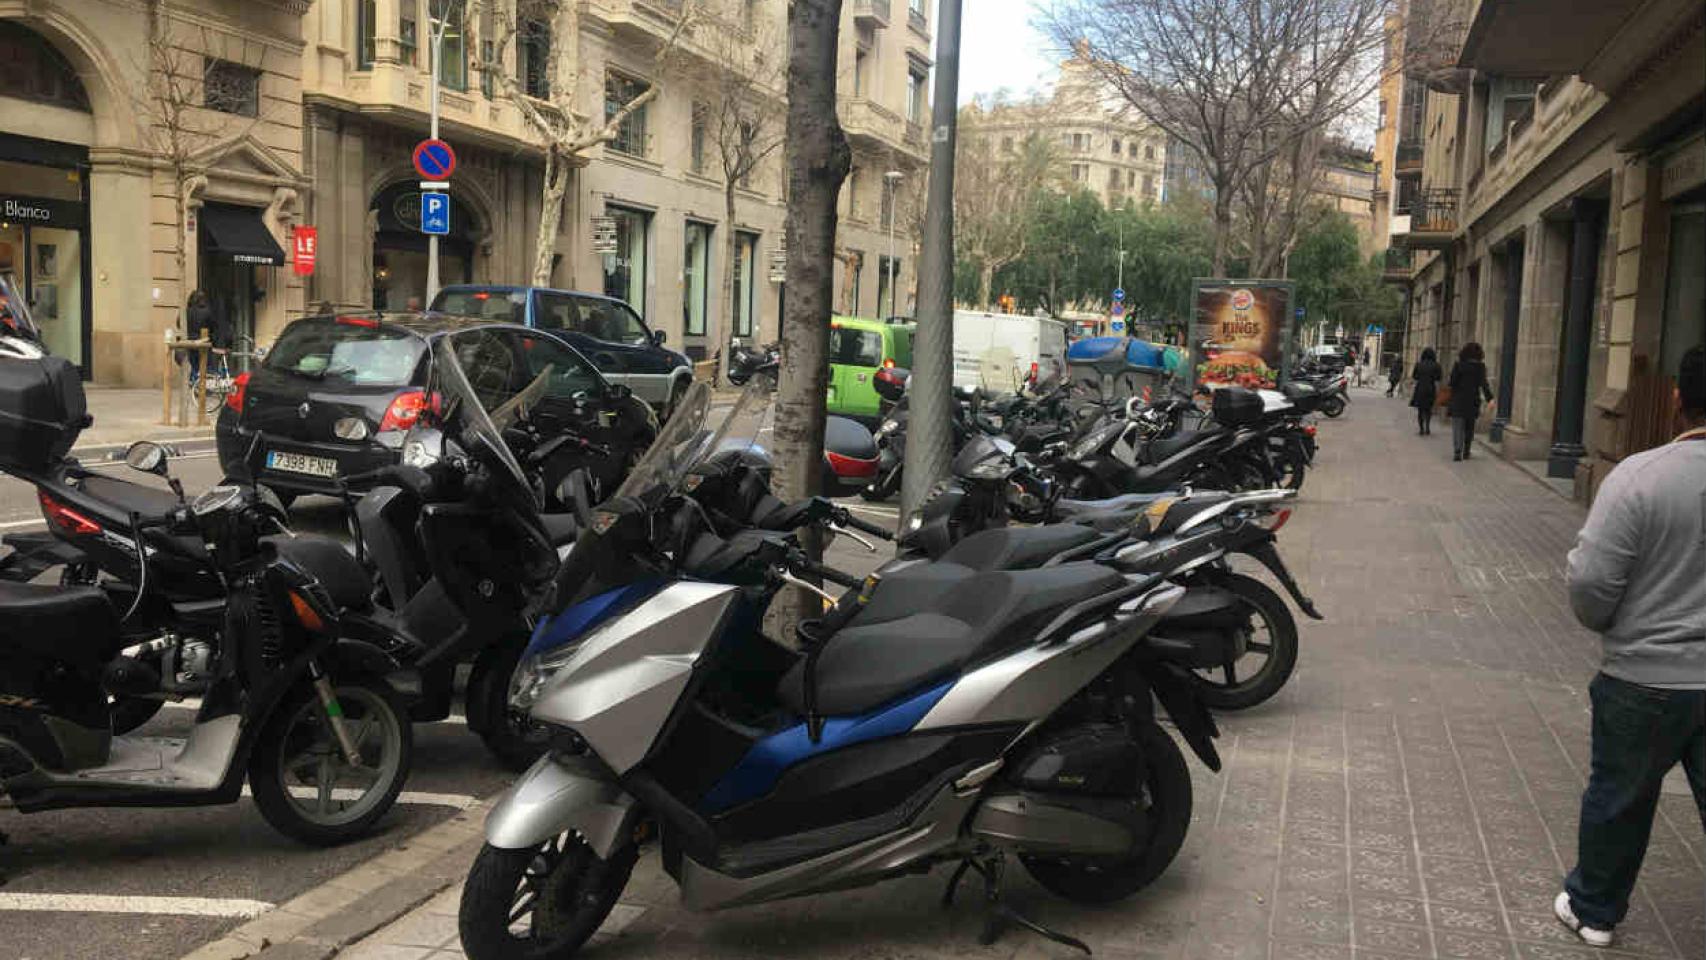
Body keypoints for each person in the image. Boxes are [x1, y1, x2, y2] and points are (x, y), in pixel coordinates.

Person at [1557, 344, 1706, 949]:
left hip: (1643, 677)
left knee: (1620, 798)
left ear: (1676, 398)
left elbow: (1592, 585)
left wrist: (1614, 624)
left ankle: (1594, 911)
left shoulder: (1639, 478)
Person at [1446, 342, 1494, 461]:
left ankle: (1457, 451)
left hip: (1458, 399)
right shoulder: (1480, 367)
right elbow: (1484, 384)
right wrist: (1490, 398)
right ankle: (1466, 450)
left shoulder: (1458, 365)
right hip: (1472, 400)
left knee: (1457, 426)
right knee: (1469, 426)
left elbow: (1452, 382)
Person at [1409, 347, 1443, 435]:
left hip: (1420, 388)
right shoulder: (1436, 365)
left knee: (1420, 410)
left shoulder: (1419, 364)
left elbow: (1415, 377)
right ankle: (1427, 426)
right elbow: (1438, 378)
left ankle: (1421, 428)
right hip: (1431, 389)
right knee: (1428, 409)